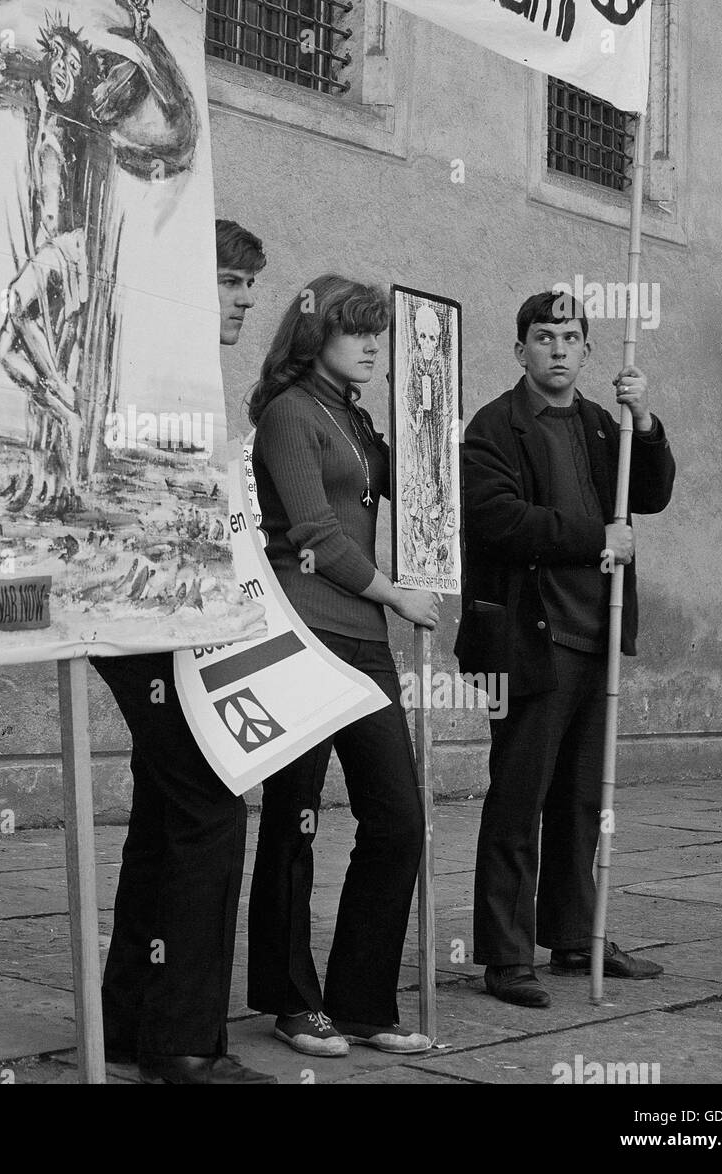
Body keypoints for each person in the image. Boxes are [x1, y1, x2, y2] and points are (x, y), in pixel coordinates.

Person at [90, 219, 273, 1084]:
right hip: (141, 617)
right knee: (208, 809)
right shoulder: (155, 364)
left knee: (168, 817)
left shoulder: (180, 368)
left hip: (160, 617)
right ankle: (185, 1044)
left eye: (249, 284)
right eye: (231, 280)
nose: (245, 298)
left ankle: (130, 1025)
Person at [456, 290, 676, 1008]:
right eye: (544, 337)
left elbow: (650, 494)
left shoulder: (601, 426)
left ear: (586, 352)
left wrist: (644, 423)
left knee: (583, 802)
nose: (558, 348)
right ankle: (505, 955)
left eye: (571, 337)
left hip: (597, 640)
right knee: (519, 801)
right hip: (527, 641)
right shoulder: (493, 428)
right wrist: (593, 540)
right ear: (521, 350)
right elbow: (496, 520)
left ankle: (576, 937)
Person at [246, 275, 440, 1059]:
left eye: (376, 334)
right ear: (313, 335)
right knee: (294, 819)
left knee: (397, 817)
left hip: (361, 639)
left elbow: (420, 493)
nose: (369, 344)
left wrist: (425, 412)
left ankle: (362, 1001)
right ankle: (292, 1002)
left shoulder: (354, 420)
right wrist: (398, 595)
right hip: (301, 630)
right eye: (354, 331)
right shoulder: (289, 415)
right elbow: (317, 534)